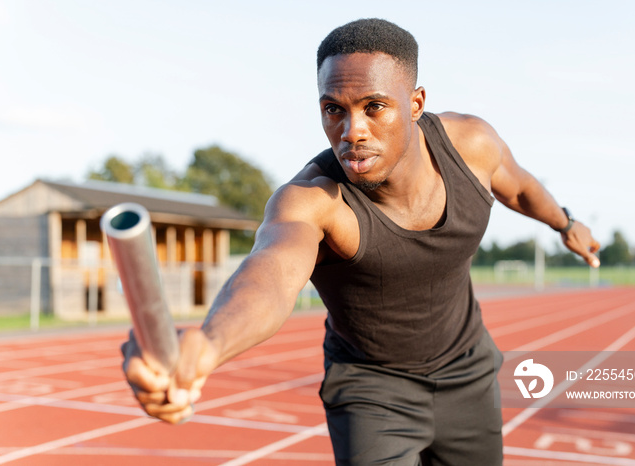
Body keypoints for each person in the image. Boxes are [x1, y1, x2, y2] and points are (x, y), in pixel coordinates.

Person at [122, 18, 601, 465]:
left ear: (414, 104)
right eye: (334, 110)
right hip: (372, 390)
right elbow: (271, 278)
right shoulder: (313, 201)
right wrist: (208, 345)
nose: (352, 132)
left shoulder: (471, 145)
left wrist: (565, 223)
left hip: (468, 372)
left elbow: (519, 187)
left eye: (374, 107)